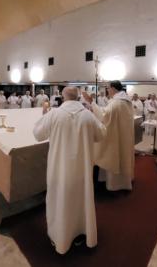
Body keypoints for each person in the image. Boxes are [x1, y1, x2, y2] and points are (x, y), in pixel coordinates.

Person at [33, 86, 105, 254]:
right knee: (80, 200)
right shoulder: (88, 115)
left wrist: (44, 116)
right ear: (78, 96)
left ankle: (60, 236)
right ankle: (80, 232)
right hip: (82, 170)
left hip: (59, 169)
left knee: (59, 199)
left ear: (63, 97)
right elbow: (101, 135)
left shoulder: (54, 114)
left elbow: (38, 134)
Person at [94, 81, 135, 191]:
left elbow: (104, 116)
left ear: (113, 88)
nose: (107, 90)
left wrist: (92, 104)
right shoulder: (126, 101)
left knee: (114, 155)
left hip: (116, 137)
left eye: (108, 88)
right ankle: (125, 180)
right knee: (123, 157)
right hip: (124, 136)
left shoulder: (117, 102)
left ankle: (115, 184)